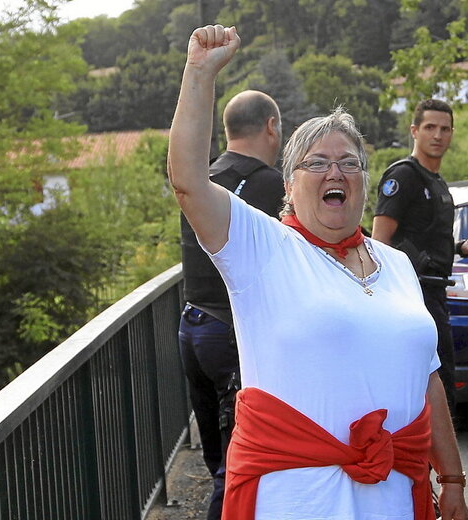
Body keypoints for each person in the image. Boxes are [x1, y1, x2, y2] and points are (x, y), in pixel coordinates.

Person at [168, 24, 468, 520]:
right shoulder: (262, 247)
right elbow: (188, 181)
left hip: (394, 496)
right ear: (289, 183)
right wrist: (200, 72)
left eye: (349, 163)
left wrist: (453, 478)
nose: (336, 173)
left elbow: (428, 376)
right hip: (298, 500)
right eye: (318, 163)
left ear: (364, 183)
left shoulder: (395, 265)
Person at [178, 89, 285, 520]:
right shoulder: (269, 183)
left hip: (193, 326)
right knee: (236, 466)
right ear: (272, 127)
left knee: (215, 458)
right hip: (231, 333)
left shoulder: (204, 178)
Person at [372, 99, 468, 418]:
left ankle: (432, 465)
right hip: (412, 296)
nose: (438, 135)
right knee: (427, 390)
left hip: (436, 294)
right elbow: (380, 241)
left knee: (441, 385)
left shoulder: (436, 182)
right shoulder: (404, 176)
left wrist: (463, 248)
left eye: (445, 128)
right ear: (414, 131)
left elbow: (426, 239)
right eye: (430, 128)